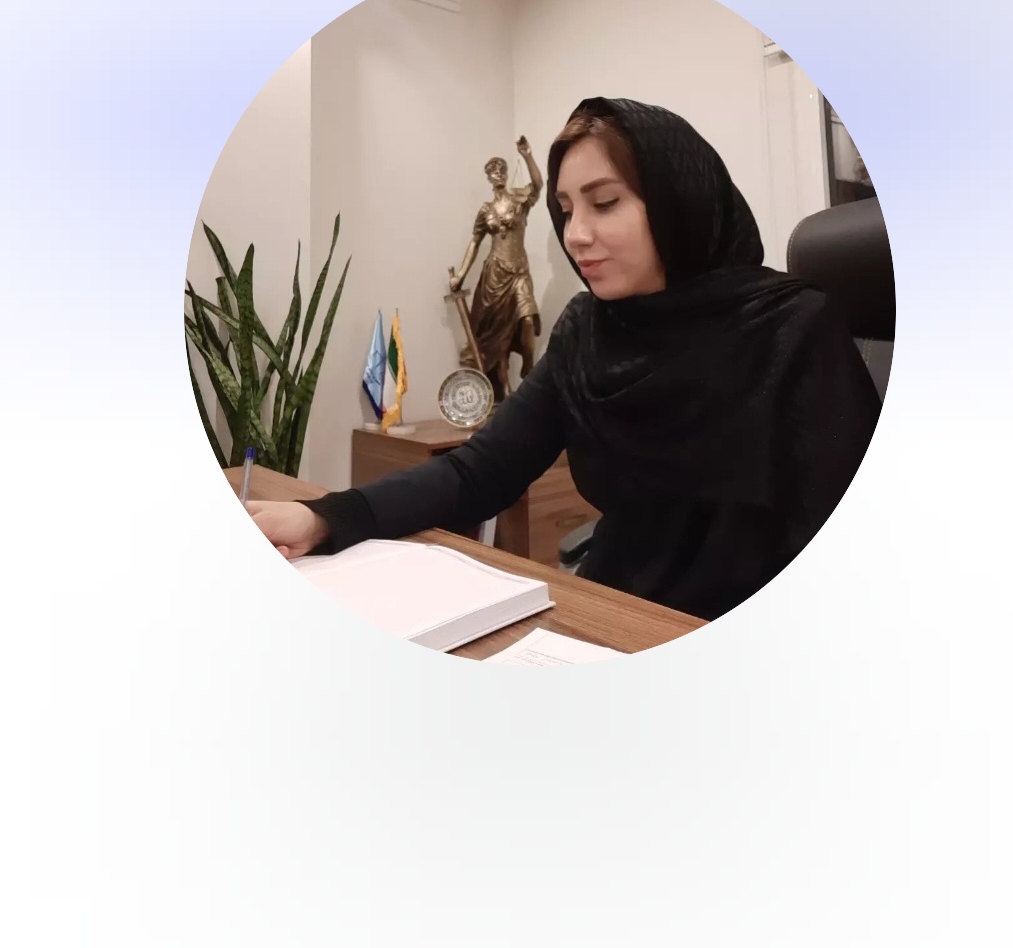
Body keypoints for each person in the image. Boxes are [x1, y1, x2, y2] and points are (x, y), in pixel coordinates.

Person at [247, 97, 883, 621]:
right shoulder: (588, 331)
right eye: (566, 210)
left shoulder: (791, 329)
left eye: (604, 203)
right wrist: (324, 518)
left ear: (678, 200)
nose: (576, 235)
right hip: (607, 610)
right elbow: (478, 472)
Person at [448, 137, 543, 400]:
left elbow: (538, 184)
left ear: (506, 173)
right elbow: (475, 242)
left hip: (519, 272)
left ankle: (528, 365)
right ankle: (503, 389)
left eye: (502, 169)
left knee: (527, 319)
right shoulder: (486, 210)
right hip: (494, 275)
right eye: (493, 171)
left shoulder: (520, 201)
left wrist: (527, 155)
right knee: (498, 335)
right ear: (488, 178)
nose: (498, 174)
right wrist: (461, 275)